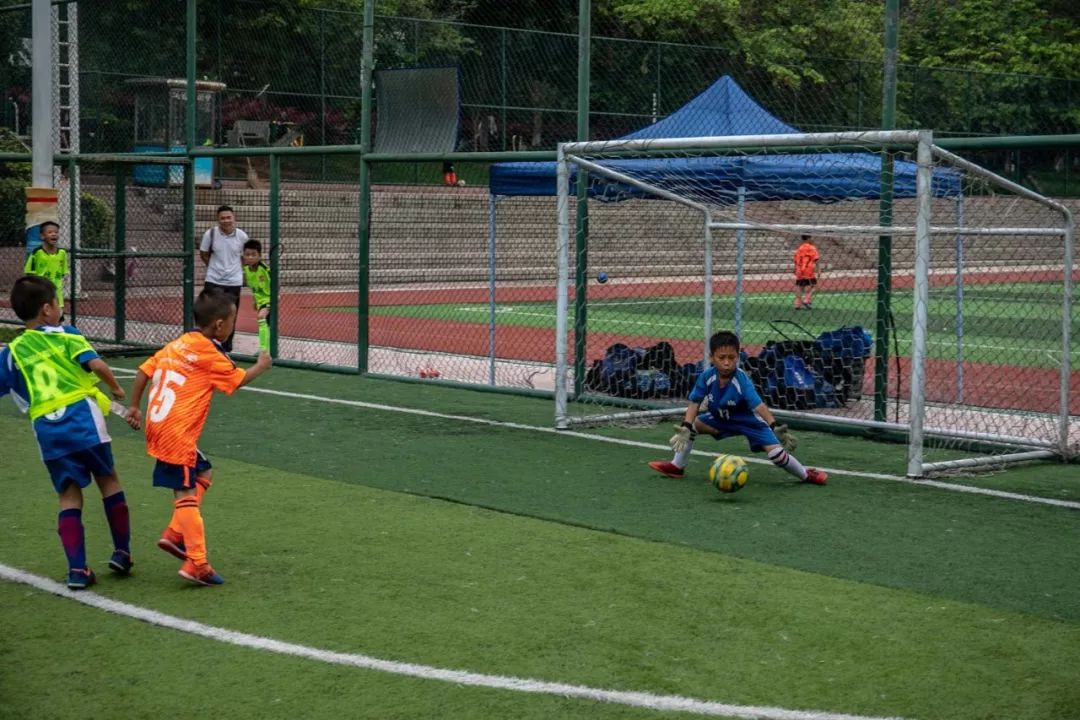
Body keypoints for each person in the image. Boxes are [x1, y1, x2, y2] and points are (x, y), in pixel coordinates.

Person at [125, 289, 271, 586]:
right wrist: (261, 366)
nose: (233, 325)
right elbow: (237, 380)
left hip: (160, 425)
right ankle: (197, 563)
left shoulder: (180, 343)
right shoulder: (210, 353)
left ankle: (176, 533)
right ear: (219, 325)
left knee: (203, 470)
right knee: (185, 493)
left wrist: (134, 406)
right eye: (232, 320)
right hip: (176, 433)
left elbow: (143, 371)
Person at [0, 275, 132, 589]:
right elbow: (97, 365)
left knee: (68, 494)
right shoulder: (67, 334)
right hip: (82, 419)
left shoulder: (11, 353)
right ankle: (122, 552)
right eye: (58, 303)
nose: (61, 308)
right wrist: (116, 390)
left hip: (47, 428)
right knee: (108, 479)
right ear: (47, 310)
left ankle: (77, 570)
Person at [648, 330, 828, 486]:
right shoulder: (707, 376)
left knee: (776, 455)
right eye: (721, 358)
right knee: (694, 426)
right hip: (720, 420)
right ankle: (677, 467)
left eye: (731, 358)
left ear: (738, 357)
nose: (726, 362)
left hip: (749, 422)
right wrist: (686, 427)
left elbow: (759, 406)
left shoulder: (741, 380)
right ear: (711, 357)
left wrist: (775, 427)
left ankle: (805, 474)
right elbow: (694, 403)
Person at [199, 205, 247, 352]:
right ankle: (207, 344)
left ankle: (226, 347)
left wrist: (237, 270)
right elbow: (203, 253)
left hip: (233, 282)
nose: (226, 221)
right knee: (209, 312)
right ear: (218, 220)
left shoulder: (242, 236)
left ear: (234, 218)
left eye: (228, 217)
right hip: (213, 280)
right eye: (222, 218)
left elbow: (245, 256)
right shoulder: (210, 234)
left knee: (230, 314)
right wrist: (213, 267)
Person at [23, 221, 69, 321]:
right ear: (42, 236)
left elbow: (64, 273)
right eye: (50, 232)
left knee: (57, 320)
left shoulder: (62, 253)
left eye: (56, 232)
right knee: (41, 319)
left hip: (57, 293)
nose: (54, 234)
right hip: (41, 292)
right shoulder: (37, 253)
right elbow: (29, 272)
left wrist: (64, 282)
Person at [242, 239, 271, 353]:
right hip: (259, 301)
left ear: (259, 256)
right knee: (265, 324)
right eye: (247, 255)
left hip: (269, 299)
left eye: (253, 255)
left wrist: (275, 298)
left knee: (261, 317)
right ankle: (267, 347)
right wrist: (255, 301)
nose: (250, 257)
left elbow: (276, 284)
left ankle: (263, 349)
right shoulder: (246, 270)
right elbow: (254, 288)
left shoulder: (264, 269)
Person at [793, 234, 820, 310]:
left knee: (799, 286)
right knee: (814, 286)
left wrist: (795, 269)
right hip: (808, 269)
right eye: (811, 238)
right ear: (808, 238)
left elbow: (795, 260)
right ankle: (807, 299)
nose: (812, 239)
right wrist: (819, 270)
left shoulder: (799, 249)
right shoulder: (812, 248)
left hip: (799, 269)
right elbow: (816, 259)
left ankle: (797, 304)